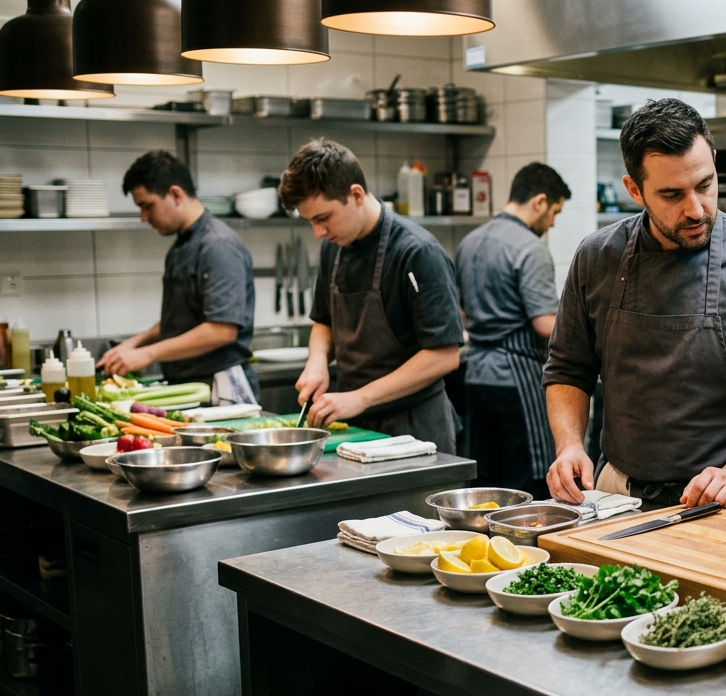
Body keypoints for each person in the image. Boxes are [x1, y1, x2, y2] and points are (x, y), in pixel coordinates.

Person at [544, 98, 726, 510]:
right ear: (635, 189)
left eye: (704, 185)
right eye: (672, 194)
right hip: (617, 494)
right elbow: (568, 367)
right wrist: (569, 446)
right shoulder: (596, 256)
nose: (695, 209)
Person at [279, 139, 463, 452]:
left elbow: (445, 355)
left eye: (323, 218)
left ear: (356, 195)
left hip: (413, 427)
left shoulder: (417, 252)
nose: (317, 232)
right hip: (355, 425)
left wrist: (360, 397)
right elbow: (324, 320)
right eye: (310, 221)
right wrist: (317, 360)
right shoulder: (333, 247)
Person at [99, 150, 258, 403]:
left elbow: (221, 330)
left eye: (147, 205)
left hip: (218, 387)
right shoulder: (181, 247)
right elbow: (182, 319)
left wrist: (148, 354)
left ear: (175, 194)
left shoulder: (217, 245)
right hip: (189, 385)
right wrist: (135, 343)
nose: (143, 217)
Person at [455, 162, 570, 498]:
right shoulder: (530, 248)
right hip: (515, 378)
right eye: (554, 213)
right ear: (539, 201)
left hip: (475, 375)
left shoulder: (470, 242)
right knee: (528, 480)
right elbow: (545, 324)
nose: (551, 223)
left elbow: (463, 308)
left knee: (487, 483)